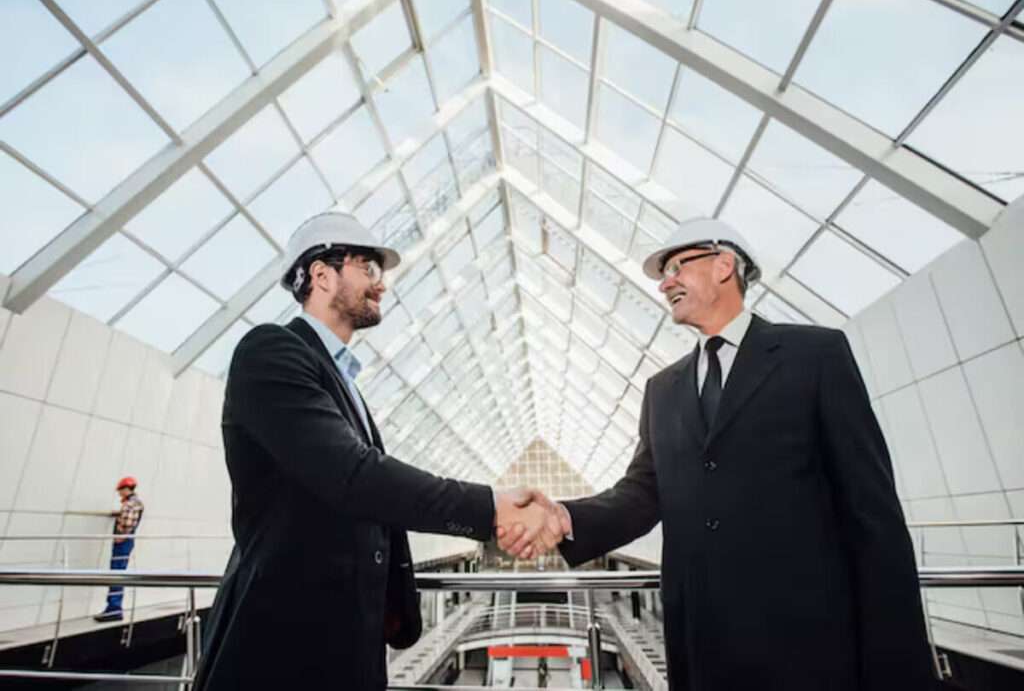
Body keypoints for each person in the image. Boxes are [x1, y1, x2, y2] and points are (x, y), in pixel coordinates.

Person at [501, 218, 936, 690]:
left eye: (675, 267)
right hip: (705, 650)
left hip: (809, 647)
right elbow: (644, 493)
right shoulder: (663, 389)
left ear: (724, 265)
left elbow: (872, 512)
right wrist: (565, 517)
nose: (665, 282)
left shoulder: (815, 356)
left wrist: (899, 665)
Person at [194, 213, 563, 690]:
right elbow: (353, 476)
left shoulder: (340, 381)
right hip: (282, 647)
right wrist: (489, 507)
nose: (381, 285)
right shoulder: (270, 352)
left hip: (345, 647)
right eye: (368, 268)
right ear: (321, 275)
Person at [93, 476, 144, 622]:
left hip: (122, 543)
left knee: (116, 574)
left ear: (126, 489)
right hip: (127, 542)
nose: (119, 493)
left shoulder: (129, 504)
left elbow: (127, 524)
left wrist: (120, 537)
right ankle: (114, 608)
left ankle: (114, 609)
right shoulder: (136, 503)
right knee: (118, 573)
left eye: (120, 490)